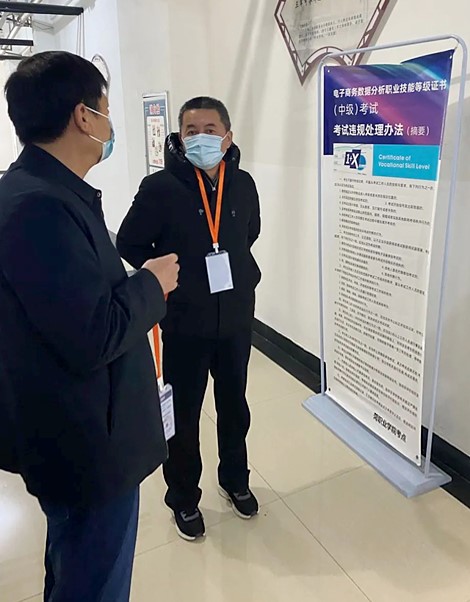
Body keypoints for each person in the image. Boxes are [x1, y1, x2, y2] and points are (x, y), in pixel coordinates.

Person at [0, 51, 179, 601]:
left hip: (72, 432)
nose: (108, 123)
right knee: (94, 580)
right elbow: (92, 334)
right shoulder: (39, 207)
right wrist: (151, 285)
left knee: (74, 567)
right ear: (83, 116)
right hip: (86, 443)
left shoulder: (42, 190)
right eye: (104, 108)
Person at [117, 96, 262, 541]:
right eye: (191, 131)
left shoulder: (243, 184)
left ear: (228, 137)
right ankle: (183, 496)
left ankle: (235, 479)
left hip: (236, 319)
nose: (201, 138)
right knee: (183, 414)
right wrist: (165, 278)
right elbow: (129, 242)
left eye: (210, 130)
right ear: (180, 138)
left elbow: (250, 232)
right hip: (184, 322)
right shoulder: (159, 188)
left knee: (234, 405)